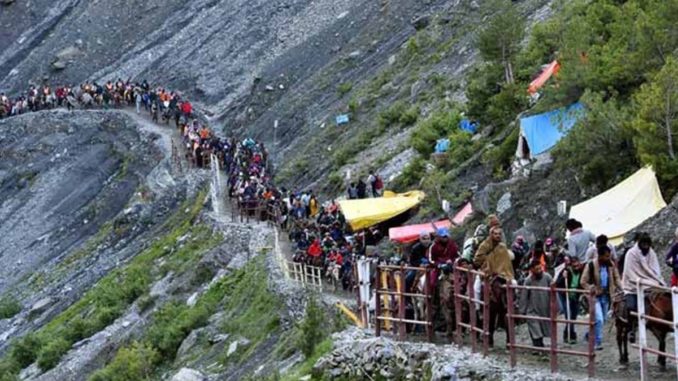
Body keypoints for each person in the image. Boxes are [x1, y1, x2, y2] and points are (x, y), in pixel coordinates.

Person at [621, 233, 665, 343]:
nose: (646, 247)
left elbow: (655, 269)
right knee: (631, 306)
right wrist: (641, 281)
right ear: (639, 244)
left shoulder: (651, 253)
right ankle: (631, 329)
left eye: (647, 244)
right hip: (632, 285)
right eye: (643, 244)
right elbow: (630, 273)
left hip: (650, 282)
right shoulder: (631, 254)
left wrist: (656, 280)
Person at [582, 246, 621, 350]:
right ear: (600, 256)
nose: (608, 258)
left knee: (602, 319)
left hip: (606, 296)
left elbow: (616, 278)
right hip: (594, 297)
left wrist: (621, 288)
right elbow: (583, 281)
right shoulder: (590, 265)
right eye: (606, 256)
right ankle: (597, 342)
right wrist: (591, 288)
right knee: (599, 319)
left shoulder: (611, 265)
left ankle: (588, 334)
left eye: (609, 256)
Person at [520, 259, 553, 349]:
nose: (539, 271)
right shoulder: (528, 281)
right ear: (532, 270)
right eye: (537, 269)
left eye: (540, 268)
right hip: (532, 309)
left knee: (542, 327)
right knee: (534, 327)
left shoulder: (547, 277)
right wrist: (522, 310)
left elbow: (553, 292)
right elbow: (524, 296)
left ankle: (539, 344)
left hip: (544, 306)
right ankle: (537, 346)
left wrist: (554, 307)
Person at [554, 255, 583, 343]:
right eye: (574, 266)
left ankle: (568, 333)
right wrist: (563, 277)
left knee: (573, 316)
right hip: (565, 296)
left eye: (578, 265)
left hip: (575, 296)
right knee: (568, 315)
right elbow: (557, 284)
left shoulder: (582, 272)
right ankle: (571, 334)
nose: (576, 268)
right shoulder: (566, 271)